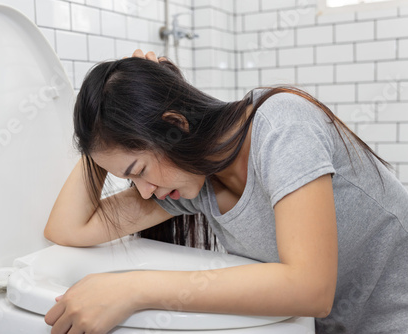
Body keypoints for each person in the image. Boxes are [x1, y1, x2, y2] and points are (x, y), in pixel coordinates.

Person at [43, 49, 408, 334]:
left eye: (138, 170)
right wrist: (104, 129)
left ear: (175, 125)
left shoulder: (281, 124)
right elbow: (67, 230)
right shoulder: (194, 184)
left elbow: (312, 288)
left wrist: (132, 289)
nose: (146, 192)